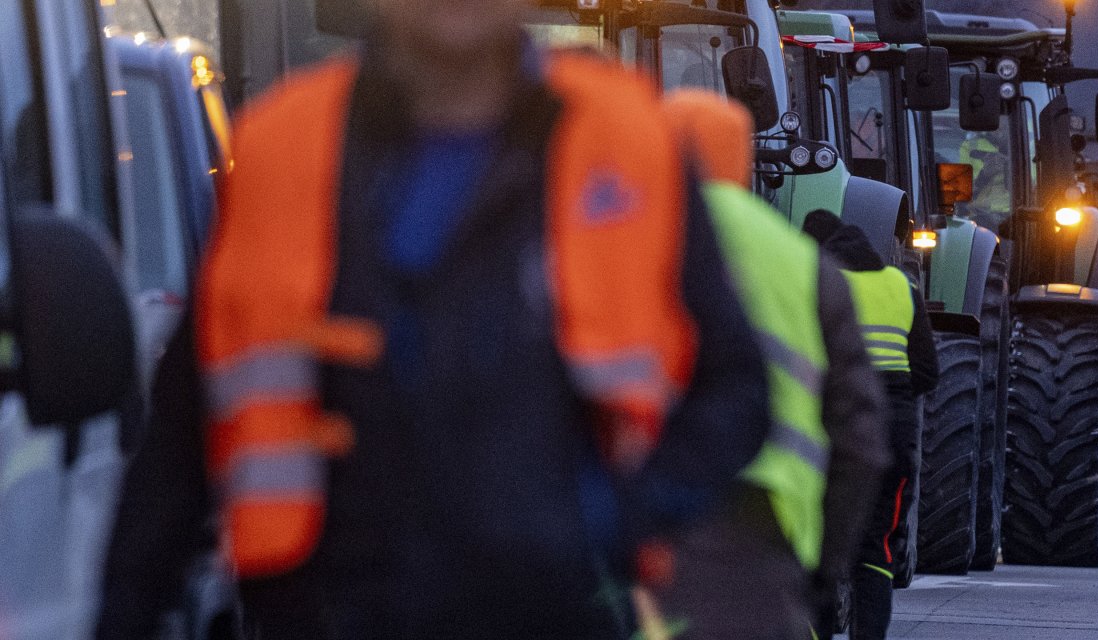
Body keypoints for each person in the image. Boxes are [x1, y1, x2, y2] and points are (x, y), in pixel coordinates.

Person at [95, 3, 773, 638]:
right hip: (331, 615)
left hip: (552, 614)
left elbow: (734, 385)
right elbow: (182, 444)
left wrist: (616, 523)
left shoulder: (625, 141)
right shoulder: (279, 146)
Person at [654, 90, 890, 640]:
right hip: (762, 533)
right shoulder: (808, 266)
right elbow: (860, 440)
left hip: (630, 523)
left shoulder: (606, 238)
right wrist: (821, 572)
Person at [805, 212, 938, 640]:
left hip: (833, 427)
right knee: (874, 548)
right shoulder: (902, 287)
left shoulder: (818, 283)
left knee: (817, 546)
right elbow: (927, 373)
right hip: (891, 432)